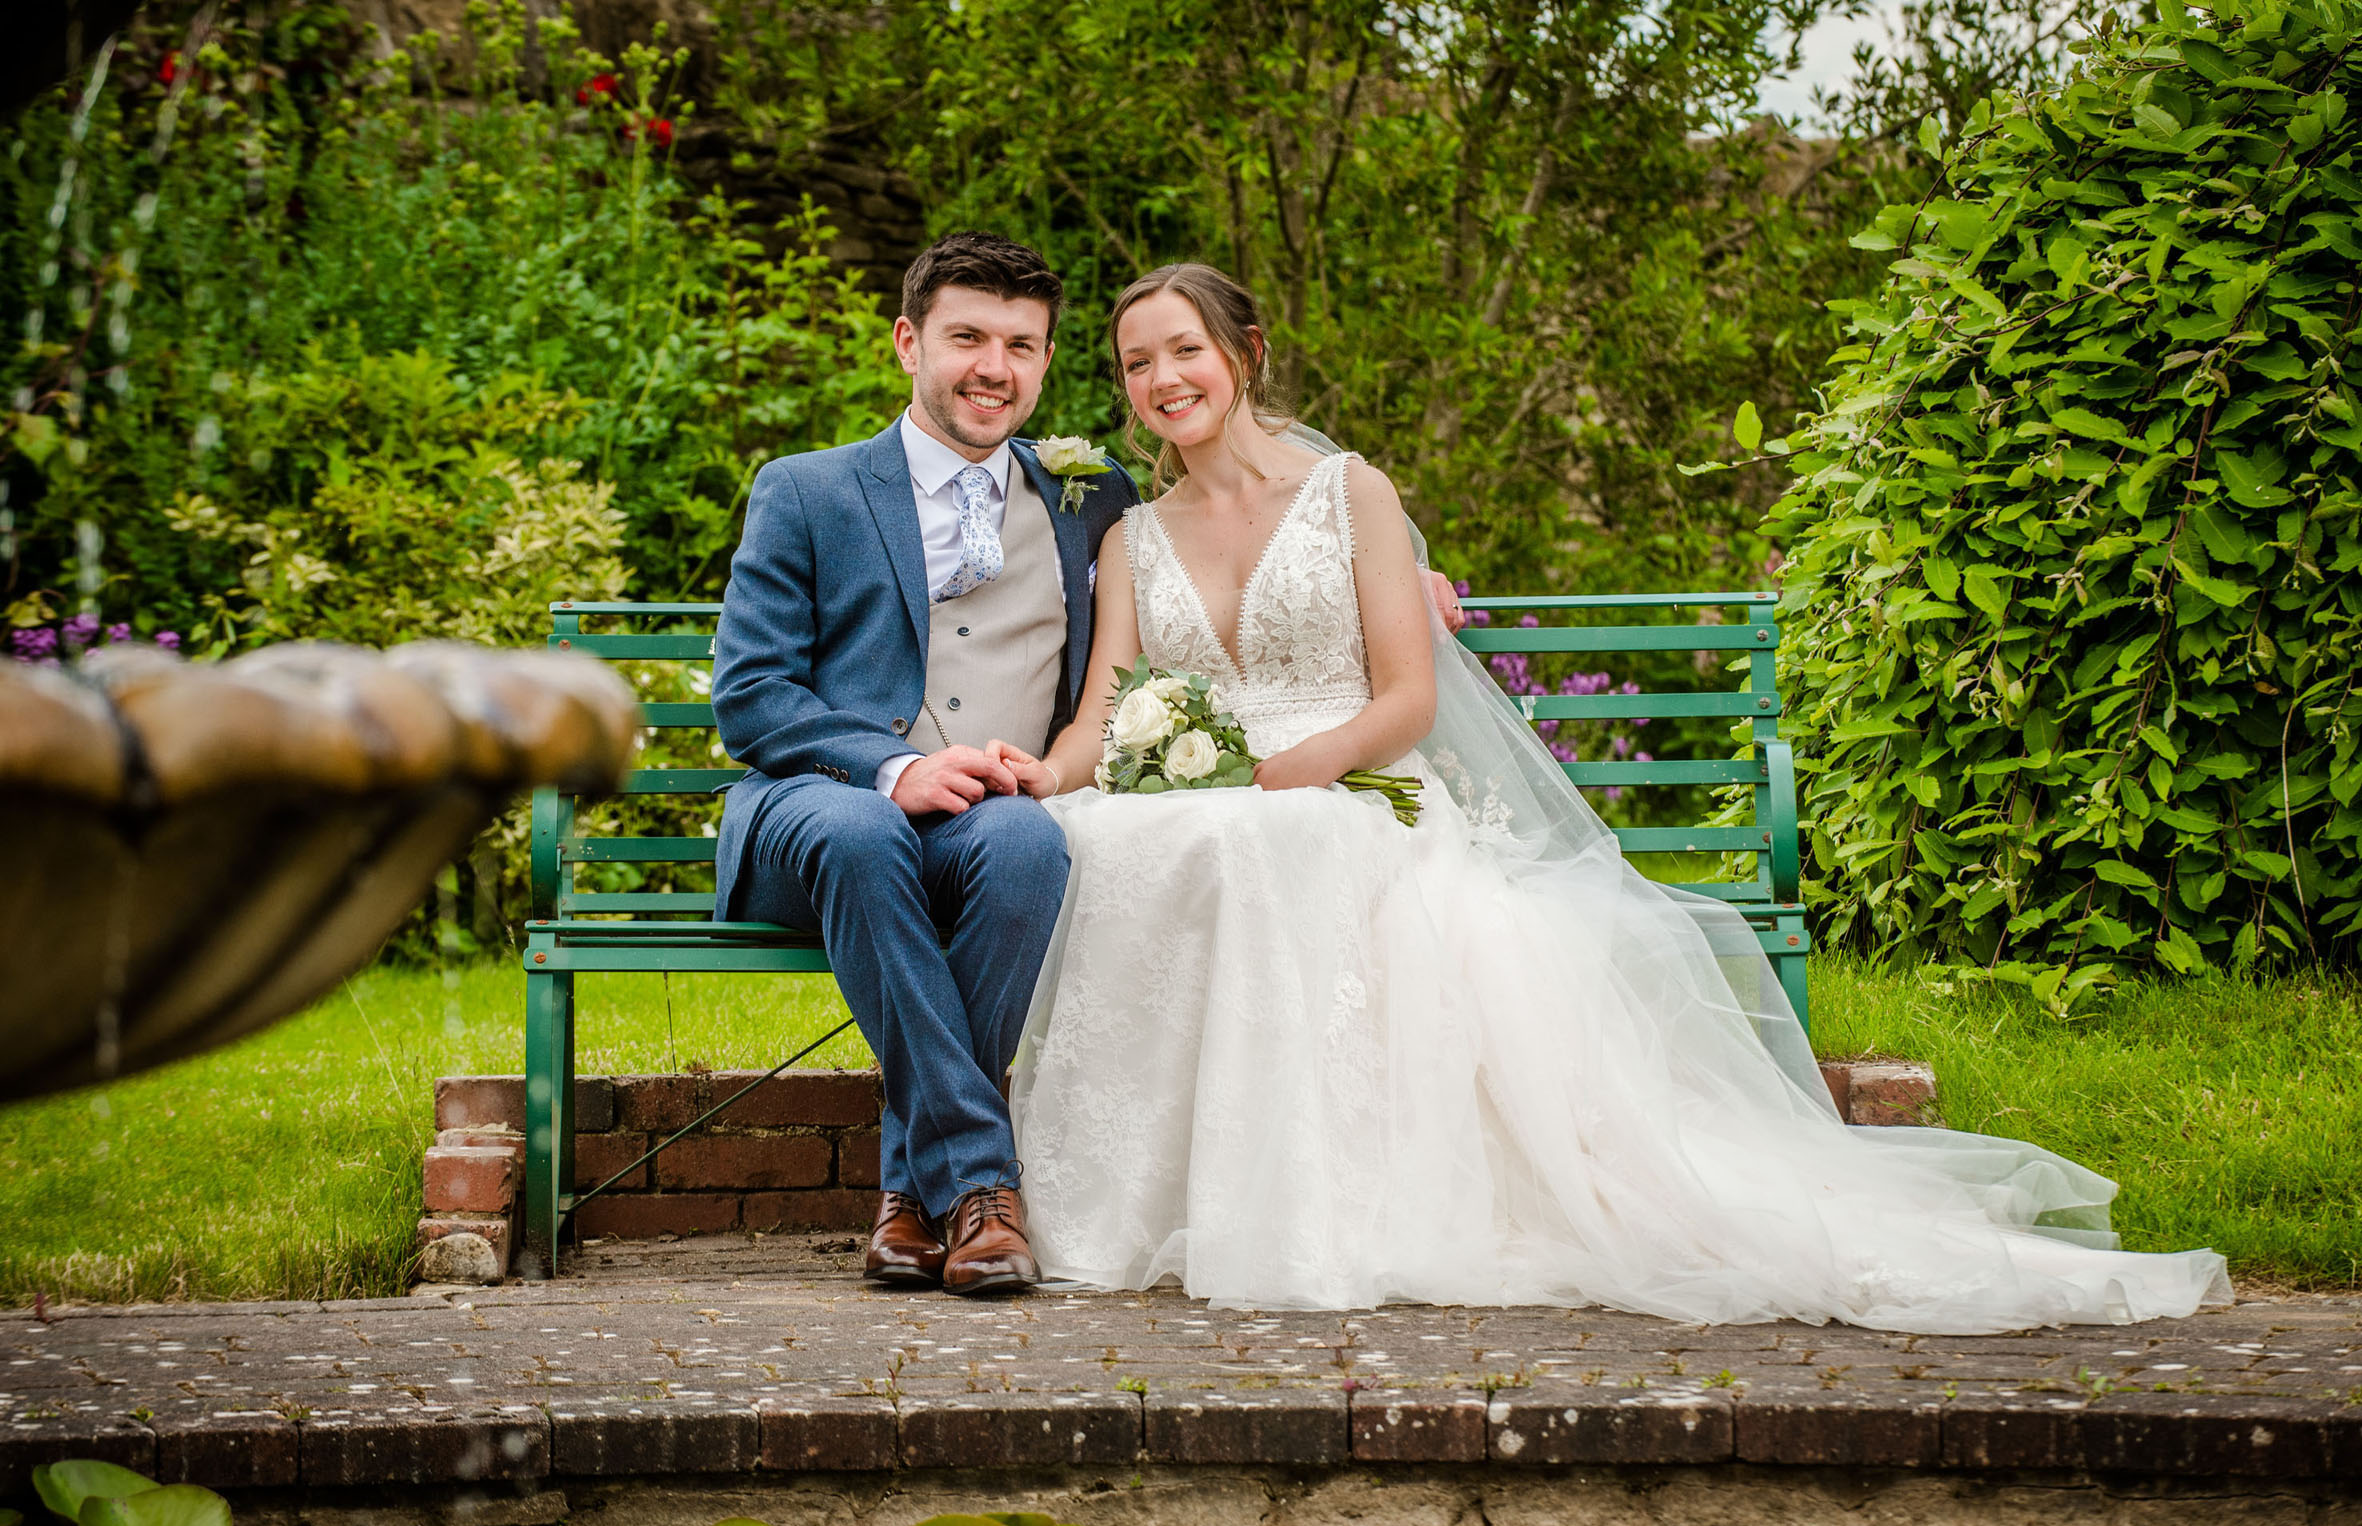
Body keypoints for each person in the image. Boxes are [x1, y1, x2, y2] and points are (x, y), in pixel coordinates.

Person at [987, 262, 2233, 1331]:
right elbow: (1104, 715)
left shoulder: (1349, 494)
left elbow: (1407, 701)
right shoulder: (1129, 537)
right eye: (1137, 361)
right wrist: (1035, 776)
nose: (1162, 379)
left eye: (1184, 349)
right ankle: (1145, 1197)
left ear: (1244, 353)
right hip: (1219, 797)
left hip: (1351, 780)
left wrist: (1282, 771)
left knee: (1275, 840)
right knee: (1099, 835)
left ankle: (1298, 1207)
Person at [711, 232, 1476, 1297]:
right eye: (966, 337)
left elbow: (1247, 536)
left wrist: (1418, 586)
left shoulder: (1088, 500)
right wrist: (889, 769)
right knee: (864, 828)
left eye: (1021, 345)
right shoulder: (806, 489)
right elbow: (750, 696)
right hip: (825, 810)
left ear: (1046, 361)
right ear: (906, 343)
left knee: (1032, 842)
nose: (993, 366)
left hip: (994, 810)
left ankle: (920, 1203)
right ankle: (967, 1185)